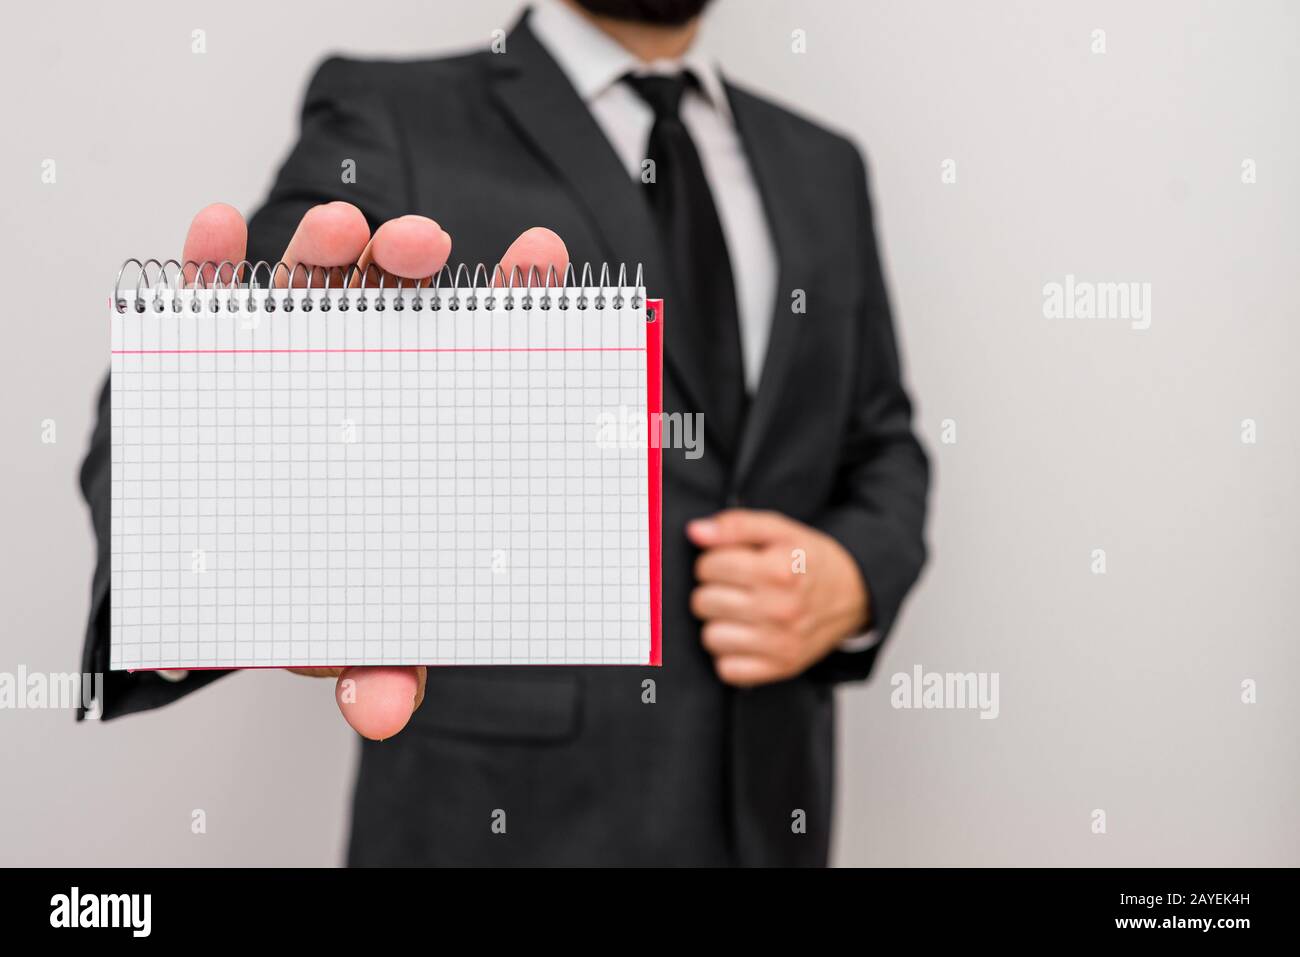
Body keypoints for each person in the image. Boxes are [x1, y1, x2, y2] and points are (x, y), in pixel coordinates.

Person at [78, 0, 929, 866]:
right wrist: (215, 548)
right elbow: (172, 410)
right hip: (503, 824)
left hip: (771, 815)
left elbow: (882, 440)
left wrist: (851, 577)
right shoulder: (391, 113)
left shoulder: (823, 165)